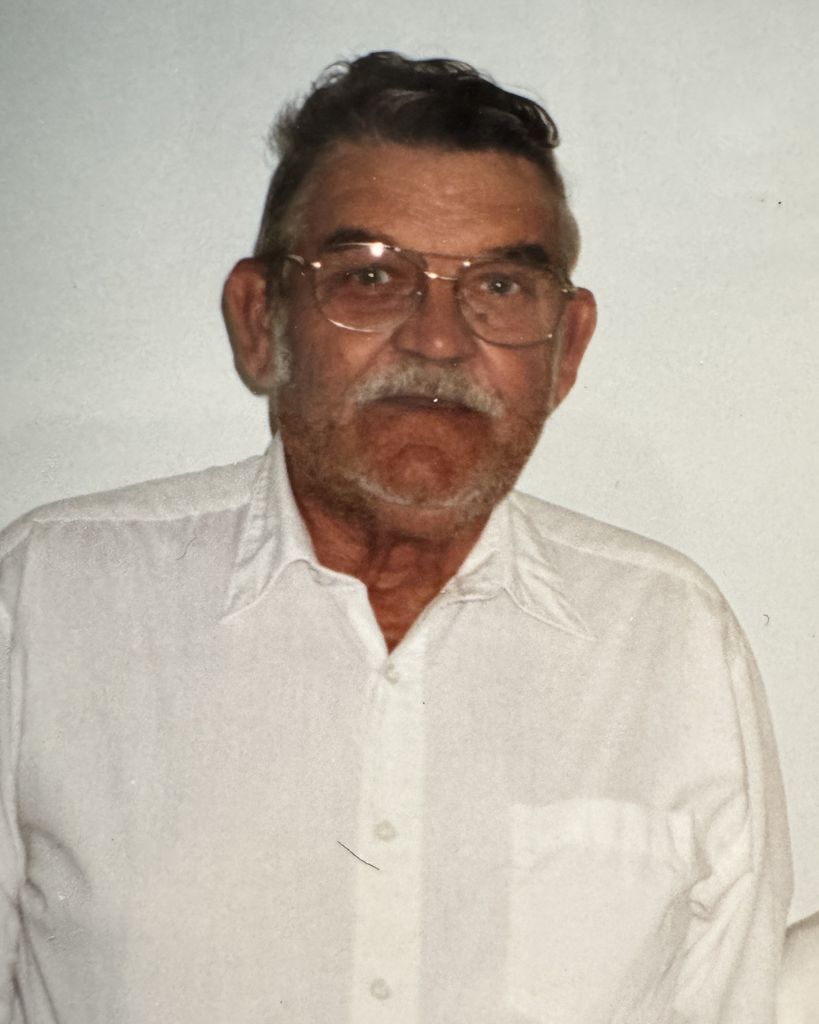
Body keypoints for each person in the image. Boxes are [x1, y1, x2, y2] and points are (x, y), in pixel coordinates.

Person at [0, 51, 791, 1023]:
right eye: (371, 276)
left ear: (566, 348)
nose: (438, 338)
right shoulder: (49, 604)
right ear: (260, 320)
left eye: (500, 286)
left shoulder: (668, 642)